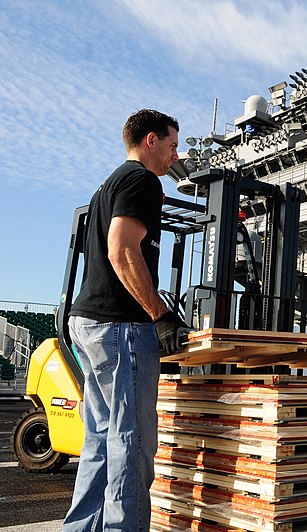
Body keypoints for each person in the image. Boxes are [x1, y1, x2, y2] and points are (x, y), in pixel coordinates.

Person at [63, 109, 189, 531]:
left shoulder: (109, 183)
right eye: (172, 145)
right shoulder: (141, 180)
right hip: (121, 328)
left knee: (100, 438)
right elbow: (122, 250)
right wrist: (161, 315)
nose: (176, 155)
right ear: (150, 140)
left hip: (89, 322)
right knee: (132, 444)